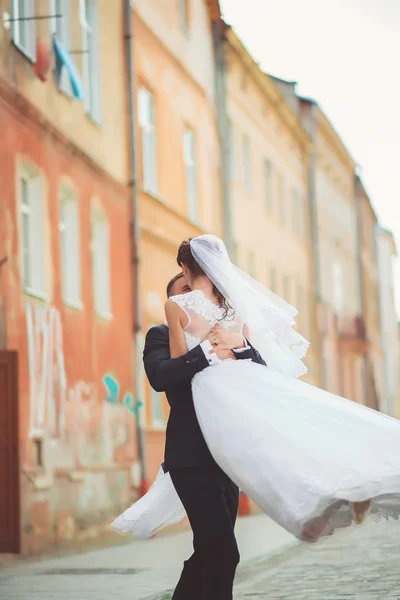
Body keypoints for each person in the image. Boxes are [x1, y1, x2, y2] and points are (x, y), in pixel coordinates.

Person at [163, 234, 400, 552]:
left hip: (212, 389)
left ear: (183, 266)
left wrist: (205, 349)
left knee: (252, 458)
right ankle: (341, 486)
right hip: (247, 380)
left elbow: (178, 363)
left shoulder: (176, 305)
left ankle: (305, 514)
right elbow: (249, 353)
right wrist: (232, 345)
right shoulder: (236, 305)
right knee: (283, 436)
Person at [111, 270, 266, 600]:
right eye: (183, 292)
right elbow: (161, 377)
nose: (193, 295)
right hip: (190, 457)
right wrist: (207, 350)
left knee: (208, 552)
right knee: (224, 553)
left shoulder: (227, 331)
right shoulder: (160, 335)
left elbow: (260, 373)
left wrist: (236, 344)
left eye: (196, 288)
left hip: (227, 458)